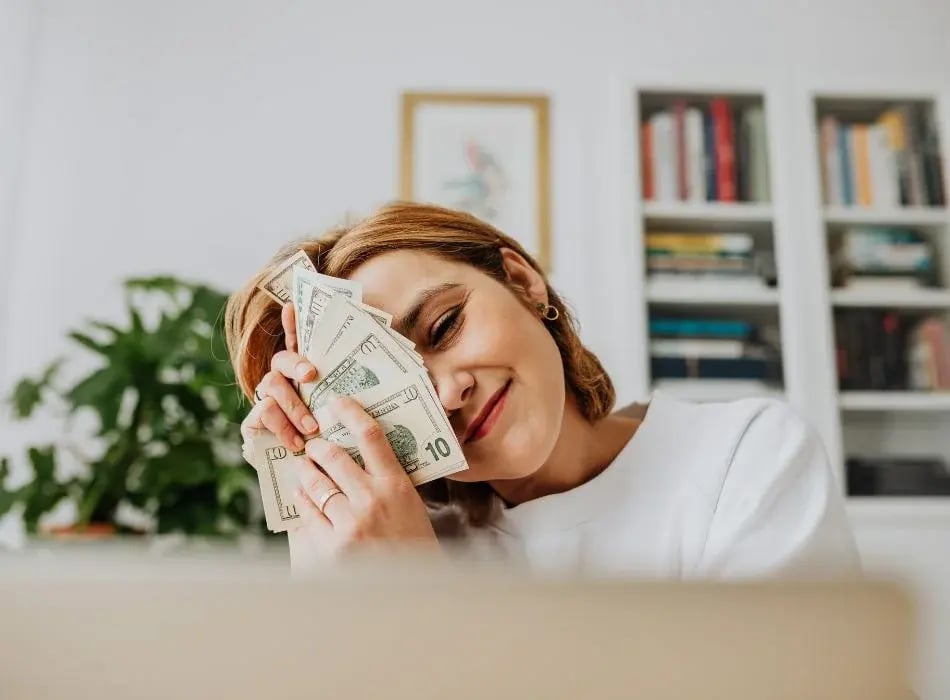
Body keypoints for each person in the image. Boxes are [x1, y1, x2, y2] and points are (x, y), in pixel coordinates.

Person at [225, 202, 860, 578]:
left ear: (524, 282)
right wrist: (315, 546)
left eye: (445, 326)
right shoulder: (396, 544)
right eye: (392, 384)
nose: (446, 394)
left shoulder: (742, 455)